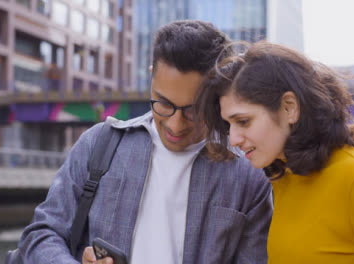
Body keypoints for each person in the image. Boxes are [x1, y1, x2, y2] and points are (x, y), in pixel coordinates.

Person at [17, 20, 273, 264]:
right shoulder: (100, 144)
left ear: (218, 95)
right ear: (152, 78)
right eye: (163, 103)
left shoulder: (249, 176)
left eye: (193, 110)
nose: (175, 124)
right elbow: (40, 234)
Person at [195, 41, 354, 264]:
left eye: (244, 121)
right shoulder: (283, 176)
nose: (234, 139)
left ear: (289, 107)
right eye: (229, 125)